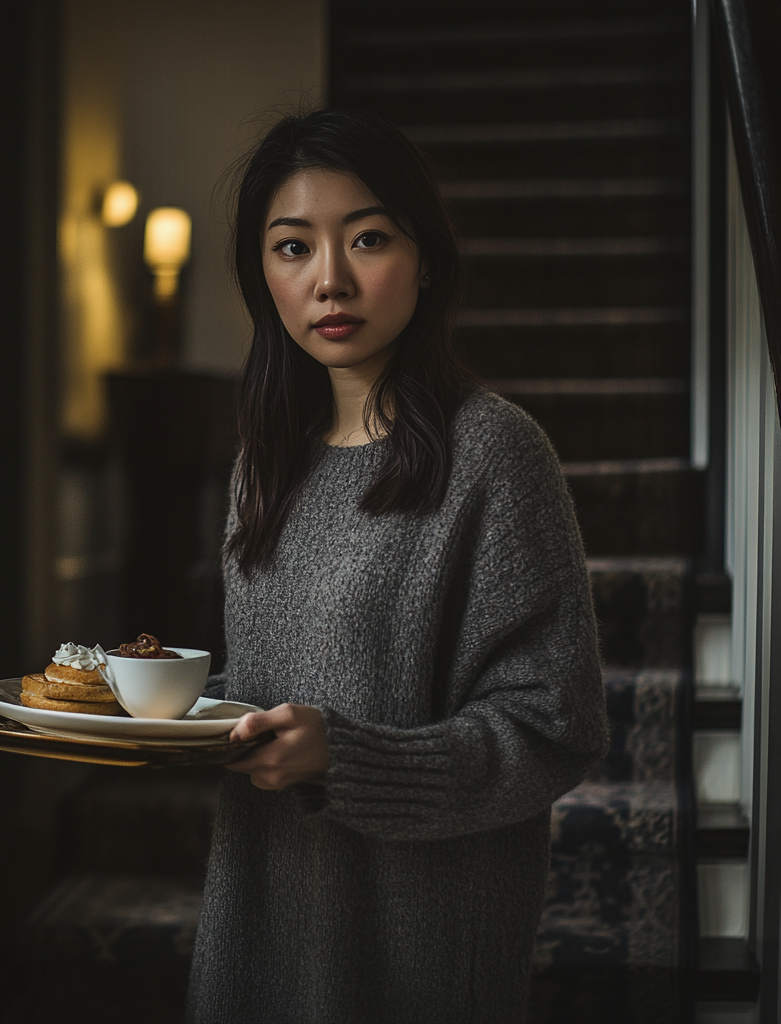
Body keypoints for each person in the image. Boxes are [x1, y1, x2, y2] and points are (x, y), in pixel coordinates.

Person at [186, 108, 609, 1024]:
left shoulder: (494, 452)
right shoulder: (267, 461)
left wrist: (352, 758)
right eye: (292, 248)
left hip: (418, 944)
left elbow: (552, 726)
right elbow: (276, 688)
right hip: (258, 925)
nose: (330, 279)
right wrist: (155, 710)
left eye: (368, 238)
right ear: (264, 278)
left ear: (426, 257)